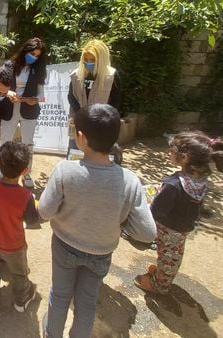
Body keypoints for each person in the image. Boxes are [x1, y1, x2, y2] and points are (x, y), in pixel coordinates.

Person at [38, 104, 156, 338]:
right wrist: (120, 223)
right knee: (86, 302)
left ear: (80, 137)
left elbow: (44, 211)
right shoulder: (130, 181)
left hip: (64, 245)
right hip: (101, 253)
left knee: (60, 296)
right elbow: (148, 233)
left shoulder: (65, 170)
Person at [134, 132, 223, 295]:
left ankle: (160, 285)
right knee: (171, 253)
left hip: (169, 227)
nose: (169, 153)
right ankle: (161, 273)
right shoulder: (200, 178)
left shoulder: (173, 185)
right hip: (183, 225)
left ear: (185, 157)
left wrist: (147, 202)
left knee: (169, 256)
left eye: (172, 151)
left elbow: (157, 211)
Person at [0, 141, 40, 317]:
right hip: (15, 246)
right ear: (24, 171)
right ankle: (20, 302)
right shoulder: (26, 196)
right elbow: (31, 219)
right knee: (20, 274)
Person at [0, 37, 48, 188]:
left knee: (28, 144)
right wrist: (9, 93)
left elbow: (41, 95)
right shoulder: (9, 65)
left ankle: (26, 174)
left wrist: (34, 100)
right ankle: (1, 172)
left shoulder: (38, 70)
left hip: (29, 110)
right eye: (32, 53)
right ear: (25, 50)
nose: (34, 57)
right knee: (5, 141)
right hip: (9, 108)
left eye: (37, 55)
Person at [67, 39, 122, 164]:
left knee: (100, 157)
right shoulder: (76, 74)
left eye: (92, 60)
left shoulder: (111, 75)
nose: (88, 63)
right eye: (86, 59)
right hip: (79, 122)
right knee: (75, 156)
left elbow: (115, 102)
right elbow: (71, 97)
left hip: (101, 124)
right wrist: (82, 115)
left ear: (101, 60)